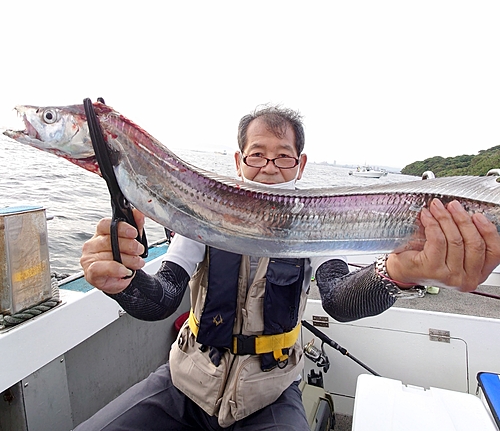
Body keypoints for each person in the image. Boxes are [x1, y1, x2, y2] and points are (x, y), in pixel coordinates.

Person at [76, 105, 500, 431]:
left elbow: (339, 299)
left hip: (270, 396)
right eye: (258, 156)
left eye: (283, 158)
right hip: (183, 384)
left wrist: (399, 273)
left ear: (301, 165)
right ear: (239, 161)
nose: (269, 168)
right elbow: (162, 299)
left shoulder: (316, 223)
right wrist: (124, 281)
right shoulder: (203, 221)